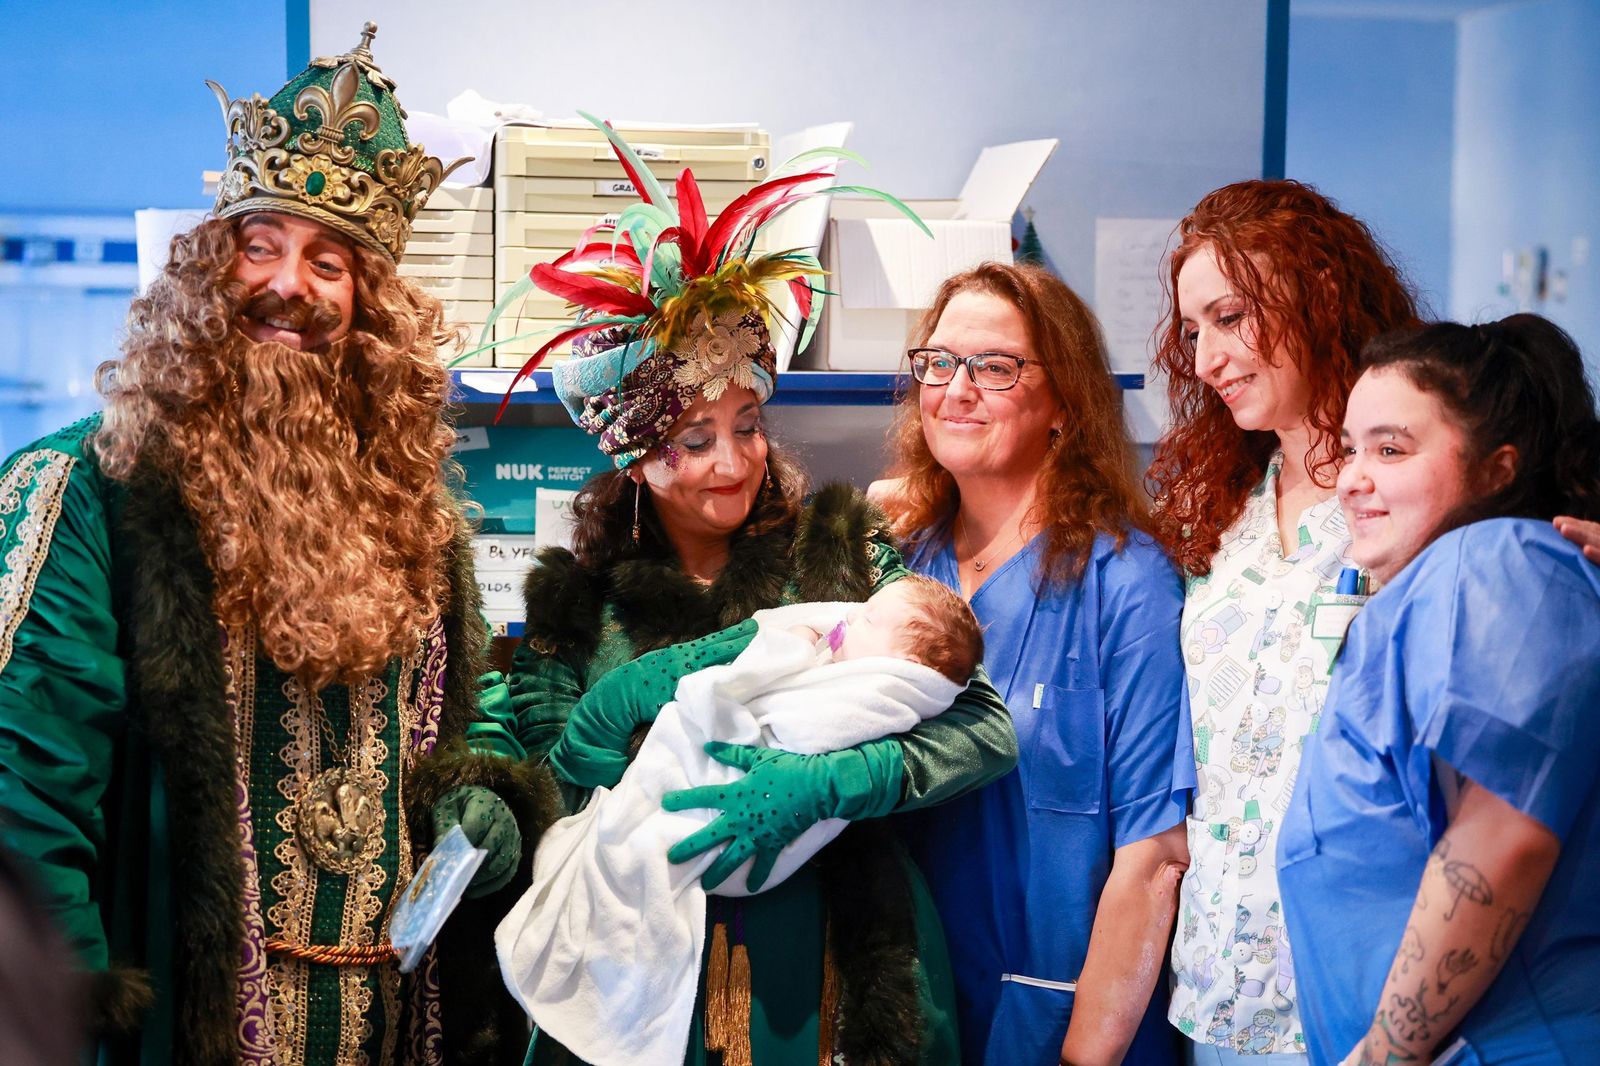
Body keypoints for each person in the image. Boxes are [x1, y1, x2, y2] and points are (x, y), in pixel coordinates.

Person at [0, 26, 555, 1065]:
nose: (288, 284)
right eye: (260, 246)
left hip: (387, 1027)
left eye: (327, 262)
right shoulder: (90, 488)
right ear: (210, 272)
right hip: (177, 1026)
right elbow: (25, 788)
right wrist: (60, 1019)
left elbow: (455, 717)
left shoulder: (414, 510)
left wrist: (482, 794)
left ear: (369, 305)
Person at [502, 121, 1018, 1065]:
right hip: (647, 973)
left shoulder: (841, 553)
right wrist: (583, 753)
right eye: (694, 441)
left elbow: (984, 729)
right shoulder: (576, 606)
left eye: (746, 424)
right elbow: (545, 796)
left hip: (835, 970)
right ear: (635, 457)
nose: (733, 463)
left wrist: (834, 781)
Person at [872, 260, 1192, 1066]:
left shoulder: (1126, 582)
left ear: (1065, 403)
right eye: (939, 362)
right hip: (914, 1010)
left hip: (1069, 1024)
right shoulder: (897, 569)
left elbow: (1154, 857)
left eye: (995, 367)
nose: (956, 389)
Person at [1277, 315, 1600, 1066]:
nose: (1352, 478)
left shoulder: (1494, 563)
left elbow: (1503, 838)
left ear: (1497, 470)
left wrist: (1386, 1056)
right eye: (1350, 449)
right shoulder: (1435, 590)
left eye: (1391, 449)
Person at [1146, 181, 1421, 1062]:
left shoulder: (1412, 497)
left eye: (1231, 317)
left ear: (1320, 295)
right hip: (1226, 984)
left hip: (1374, 984)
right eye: (1194, 331)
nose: (1207, 358)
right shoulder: (1213, 509)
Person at [497, 577, 984, 1064]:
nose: (854, 616)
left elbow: (980, 728)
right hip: (650, 885)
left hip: (814, 941)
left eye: (869, 618)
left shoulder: (865, 572)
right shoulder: (572, 595)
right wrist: (594, 732)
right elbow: (548, 772)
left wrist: (840, 778)